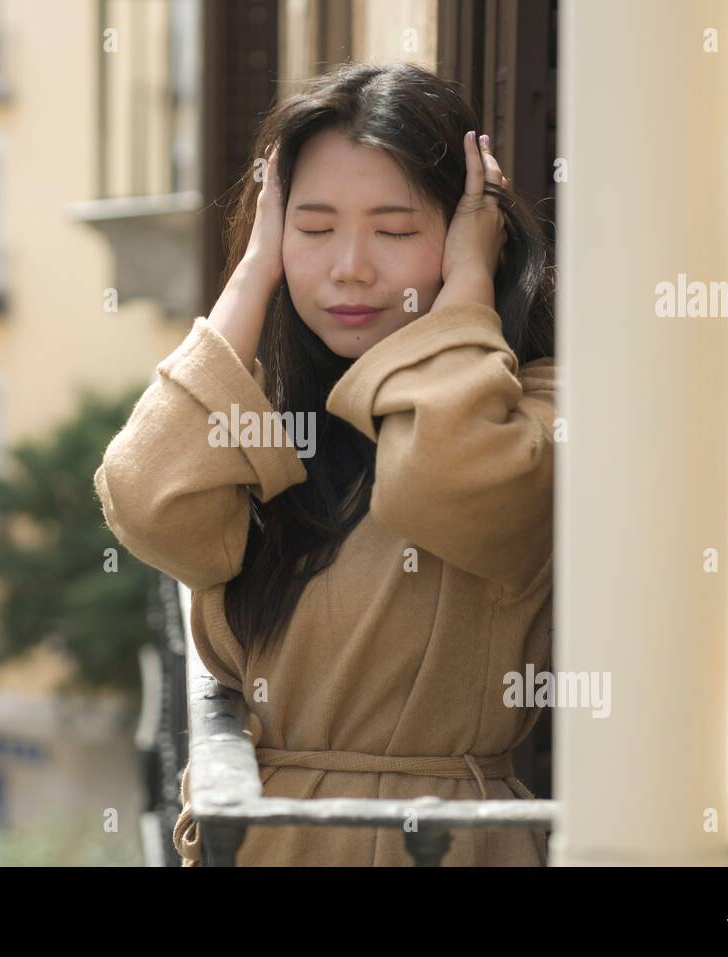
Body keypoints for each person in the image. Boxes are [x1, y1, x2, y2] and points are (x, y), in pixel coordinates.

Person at [94, 61, 555, 866]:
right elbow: (145, 502)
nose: (350, 266)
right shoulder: (264, 417)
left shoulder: (532, 408)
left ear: (469, 235)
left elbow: (440, 477)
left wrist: (470, 288)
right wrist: (251, 275)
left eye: (397, 229)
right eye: (311, 229)